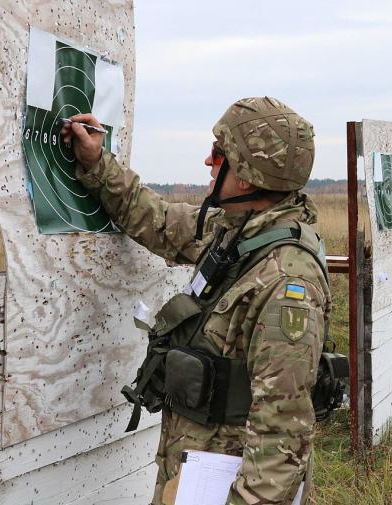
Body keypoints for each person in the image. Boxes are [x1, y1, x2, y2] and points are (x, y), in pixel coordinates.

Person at [62, 97, 331, 505]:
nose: (208, 161)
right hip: (197, 467)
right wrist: (97, 162)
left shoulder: (285, 281)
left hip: (226, 479)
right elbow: (156, 219)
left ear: (244, 176)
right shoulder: (237, 234)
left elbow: (283, 433)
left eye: (219, 154)